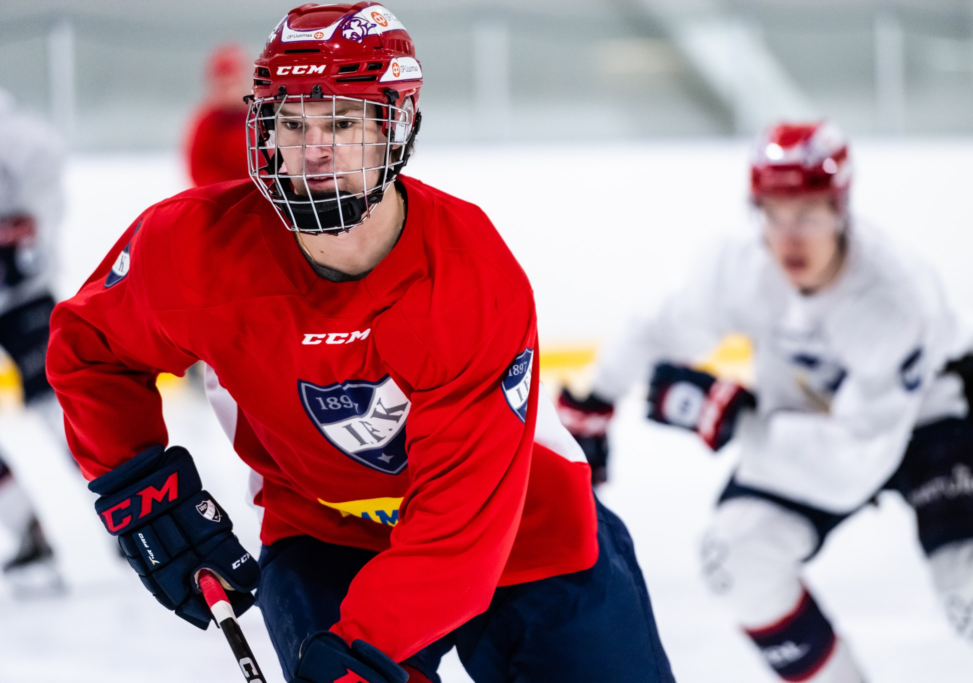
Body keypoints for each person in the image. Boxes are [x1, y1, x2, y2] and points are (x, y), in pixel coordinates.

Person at [47, 4, 674, 683]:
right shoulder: (192, 248)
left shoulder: (465, 274)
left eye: (342, 121)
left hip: (522, 528)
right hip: (327, 538)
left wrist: (358, 650)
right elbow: (90, 346)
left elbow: (459, 532)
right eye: (291, 122)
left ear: (393, 128)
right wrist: (141, 486)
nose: (313, 148)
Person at [559, 121, 973, 682]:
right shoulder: (739, 264)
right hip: (813, 423)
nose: (790, 236)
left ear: (841, 207)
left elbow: (853, 464)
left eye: (809, 213)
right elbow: (656, 327)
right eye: (773, 213)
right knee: (737, 558)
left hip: (935, 415)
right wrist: (597, 396)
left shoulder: (892, 297)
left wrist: (736, 422)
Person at [0, 89, 70, 586]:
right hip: (24, 290)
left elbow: (42, 212)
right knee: (60, 406)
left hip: (22, 294)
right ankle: (25, 528)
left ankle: (131, 516)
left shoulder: (21, 139)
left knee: (61, 405)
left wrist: (29, 233)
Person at [183, 43, 251, 188]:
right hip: (221, 201)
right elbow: (199, 171)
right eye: (224, 85)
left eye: (233, 83)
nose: (230, 91)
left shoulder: (258, 117)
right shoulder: (207, 123)